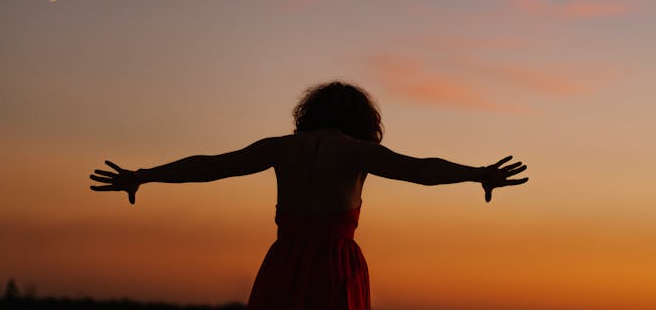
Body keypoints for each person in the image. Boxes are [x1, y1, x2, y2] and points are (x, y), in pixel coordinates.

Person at [90, 81, 528, 310]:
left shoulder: (281, 147)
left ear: (308, 113)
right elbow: (420, 169)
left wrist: (143, 175)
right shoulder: (358, 151)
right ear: (364, 120)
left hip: (284, 260)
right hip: (335, 265)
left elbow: (211, 165)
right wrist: (477, 174)